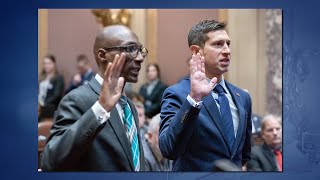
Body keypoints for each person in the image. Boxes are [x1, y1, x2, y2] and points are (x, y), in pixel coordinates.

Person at [40, 25, 148, 171]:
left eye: (140, 50)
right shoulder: (77, 99)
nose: (140, 58)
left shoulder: (129, 105)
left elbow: (134, 161)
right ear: (103, 55)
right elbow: (50, 161)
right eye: (130, 49)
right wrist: (100, 109)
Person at [159, 19, 252, 171]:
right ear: (196, 51)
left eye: (228, 43)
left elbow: (244, 155)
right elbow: (169, 148)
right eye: (218, 44)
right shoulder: (178, 94)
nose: (227, 50)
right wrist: (194, 99)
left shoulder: (243, 97)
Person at [38, 54, 65, 122]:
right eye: (45, 63)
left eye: (49, 63)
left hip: (50, 109)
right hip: (39, 108)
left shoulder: (58, 78)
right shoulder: (41, 77)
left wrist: (43, 104)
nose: (47, 66)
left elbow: (57, 95)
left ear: (54, 64)